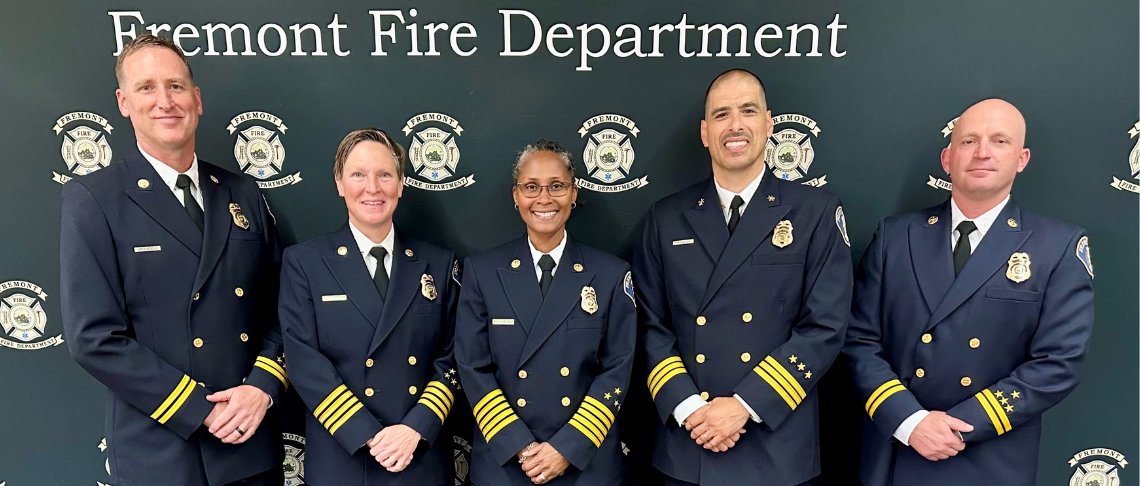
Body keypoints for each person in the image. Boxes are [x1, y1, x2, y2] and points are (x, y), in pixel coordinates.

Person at [60, 34, 286, 485]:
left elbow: (284, 310)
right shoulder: (95, 199)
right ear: (124, 102)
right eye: (147, 88)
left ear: (197, 99)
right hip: (162, 454)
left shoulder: (242, 193)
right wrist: (198, 409)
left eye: (176, 86)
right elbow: (94, 337)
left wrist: (262, 386)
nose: (165, 101)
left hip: (249, 445)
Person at [843, 98, 1095, 486]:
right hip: (898, 451)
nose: (982, 153)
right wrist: (910, 421)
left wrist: (961, 427)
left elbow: (1058, 361)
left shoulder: (1057, 246)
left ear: (1022, 158)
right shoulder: (895, 238)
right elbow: (859, 341)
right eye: (968, 141)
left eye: (999, 141)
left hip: (989, 457)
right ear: (947, 158)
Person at [633, 68, 853, 486]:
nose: (735, 125)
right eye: (721, 115)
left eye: (748, 111)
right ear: (704, 132)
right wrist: (688, 408)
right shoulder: (665, 218)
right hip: (688, 443)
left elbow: (824, 327)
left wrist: (744, 405)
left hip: (776, 442)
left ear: (769, 124)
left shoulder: (815, 213)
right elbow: (648, 324)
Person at [278, 128, 460, 485]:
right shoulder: (305, 263)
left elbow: (454, 356)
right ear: (339, 183)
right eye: (358, 174)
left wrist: (414, 428)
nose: (372, 188)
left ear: (401, 183)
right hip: (343, 455)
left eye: (385, 175)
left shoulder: (437, 263)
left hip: (418, 455)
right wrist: (366, 434)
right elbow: (302, 359)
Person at [454, 140, 637, 485]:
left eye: (556, 186)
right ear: (516, 196)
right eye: (531, 187)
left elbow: (617, 368)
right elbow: (471, 366)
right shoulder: (482, 272)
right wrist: (520, 446)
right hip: (507, 462)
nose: (544, 198)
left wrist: (568, 447)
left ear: (573, 193)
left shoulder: (610, 274)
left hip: (585, 462)